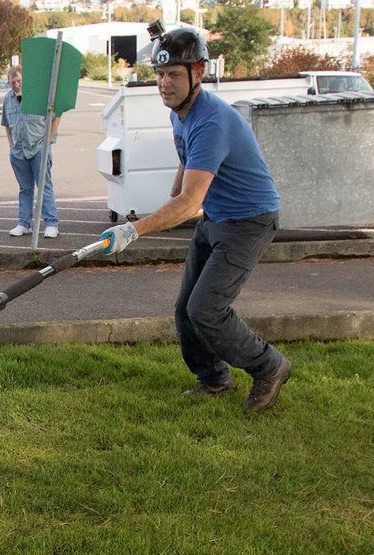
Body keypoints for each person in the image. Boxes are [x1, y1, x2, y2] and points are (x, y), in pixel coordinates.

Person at [100, 24, 292, 413]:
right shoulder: (179, 112)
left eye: (172, 75)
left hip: (249, 220)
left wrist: (132, 230)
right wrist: (176, 187)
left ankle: (269, 366)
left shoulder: (212, 120)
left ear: (198, 72)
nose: (163, 84)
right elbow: (188, 157)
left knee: (207, 309)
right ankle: (214, 378)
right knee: (186, 308)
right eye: (158, 74)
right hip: (217, 218)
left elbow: (190, 204)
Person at [1, 65, 60, 239]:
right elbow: (6, 123)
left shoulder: (38, 97)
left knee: (44, 187)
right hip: (18, 152)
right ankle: (24, 223)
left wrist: (48, 140)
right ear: (9, 83)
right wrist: (11, 143)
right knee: (24, 188)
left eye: (19, 81)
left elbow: (57, 116)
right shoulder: (7, 99)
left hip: (38, 148)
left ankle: (51, 224)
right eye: (13, 82)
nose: (16, 85)